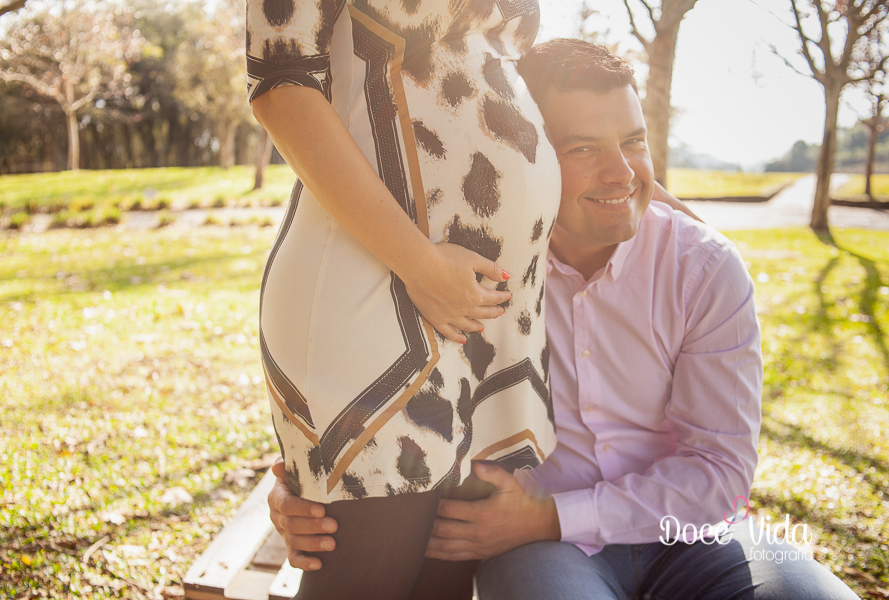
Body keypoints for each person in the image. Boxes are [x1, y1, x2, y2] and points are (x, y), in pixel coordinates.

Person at [267, 39, 861, 599]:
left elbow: (720, 474)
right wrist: (301, 491)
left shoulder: (703, 268)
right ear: (528, 158)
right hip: (537, 551)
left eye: (633, 141)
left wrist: (553, 514)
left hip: (695, 537)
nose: (622, 174)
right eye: (583, 149)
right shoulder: (468, 271)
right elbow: (383, 395)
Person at [247, 0, 565, 597]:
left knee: (441, 586)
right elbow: (281, 80)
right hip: (374, 290)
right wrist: (420, 264)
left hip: (492, 323)